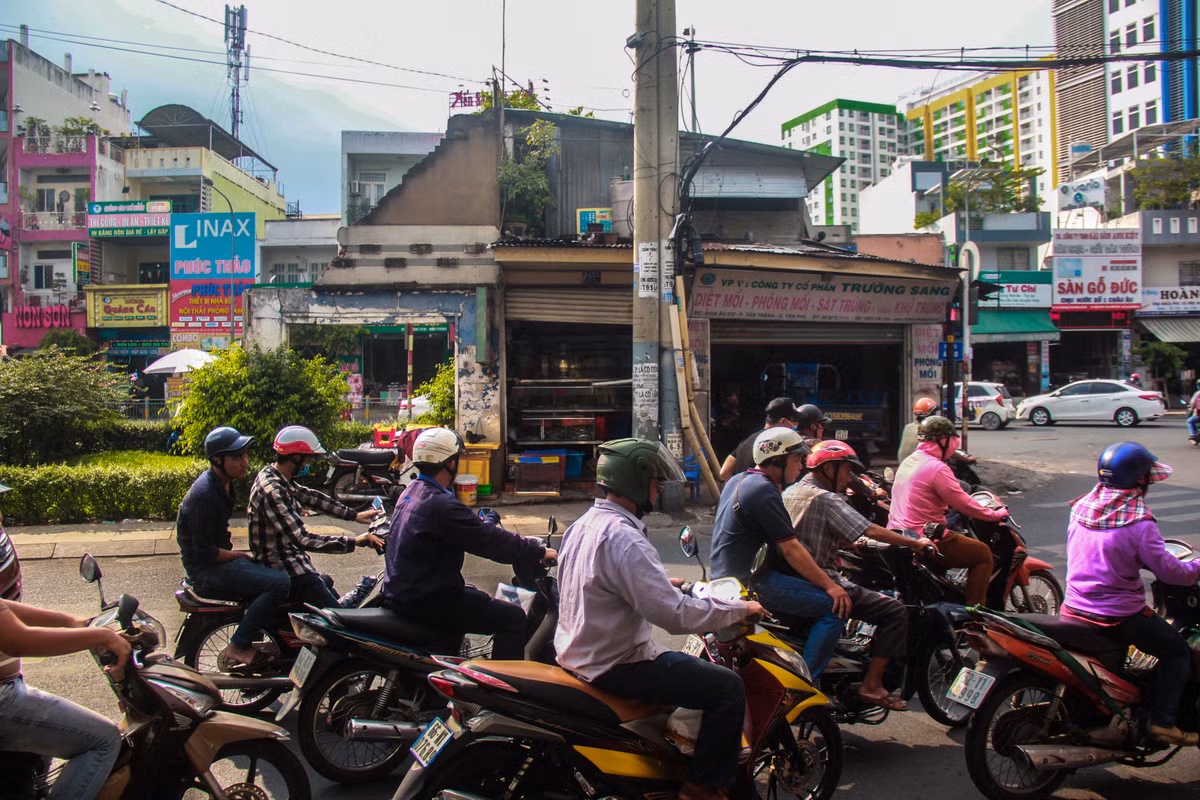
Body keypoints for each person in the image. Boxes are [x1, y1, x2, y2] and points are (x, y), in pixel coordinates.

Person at [556, 438, 764, 800]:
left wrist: (663, 582)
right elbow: (675, 615)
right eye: (654, 482)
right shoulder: (625, 539)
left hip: (578, 653)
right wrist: (739, 610)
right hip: (617, 663)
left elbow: (597, 580)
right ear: (635, 481)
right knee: (726, 687)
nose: (656, 489)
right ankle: (702, 787)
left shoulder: (585, 525)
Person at [783, 441, 938, 709]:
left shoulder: (792, 491)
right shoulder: (825, 498)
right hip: (821, 581)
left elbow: (820, 532)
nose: (848, 479)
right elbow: (870, 530)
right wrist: (916, 543)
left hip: (792, 580)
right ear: (829, 469)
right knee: (895, 610)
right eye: (846, 471)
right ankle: (872, 685)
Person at [1065, 442, 1200, 746]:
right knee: (1177, 652)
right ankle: (1162, 723)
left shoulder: (1081, 507)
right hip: (1116, 615)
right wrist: (1196, 568)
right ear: (1141, 480)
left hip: (1072, 606)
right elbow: (1169, 571)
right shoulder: (1139, 521)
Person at [382, 427, 556, 660]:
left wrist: (487, 521)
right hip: (428, 600)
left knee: (475, 597)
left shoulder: (412, 492)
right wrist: (539, 551)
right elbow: (491, 542)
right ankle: (500, 692)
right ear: (451, 463)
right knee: (512, 618)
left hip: (407, 593)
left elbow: (472, 529)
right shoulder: (440, 504)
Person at [710, 428, 845, 679]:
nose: (801, 466)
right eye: (796, 459)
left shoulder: (737, 480)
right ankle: (806, 682)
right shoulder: (763, 490)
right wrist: (831, 586)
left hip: (725, 579)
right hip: (749, 584)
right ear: (777, 460)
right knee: (833, 607)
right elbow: (791, 549)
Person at [177, 426, 290, 669]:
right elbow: (205, 552)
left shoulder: (224, 485)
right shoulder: (205, 494)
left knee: (270, 570)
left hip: (216, 562)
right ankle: (238, 645)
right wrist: (239, 556)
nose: (245, 462)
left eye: (245, 456)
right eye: (238, 457)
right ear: (218, 460)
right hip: (206, 571)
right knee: (280, 582)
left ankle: (256, 653)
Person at [0, 587, 130, 799]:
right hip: (3, 698)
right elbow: (19, 641)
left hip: (9, 688)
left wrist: (68, 621)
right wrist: (101, 637)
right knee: (104, 740)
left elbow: (5, 609)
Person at [247, 425, 383, 609]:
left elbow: (312, 498)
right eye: (307, 460)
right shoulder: (273, 491)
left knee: (329, 590)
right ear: (295, 458)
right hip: (283, 567)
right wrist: (355, 541)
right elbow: (303, 539)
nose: (307, 465)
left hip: (290, 561)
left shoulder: (274, 476)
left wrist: (354, 515)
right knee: (338, 622)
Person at [887, 416, 1003, 606]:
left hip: (899, 533)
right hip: (926, 536)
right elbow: (964, 503)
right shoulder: (937, 468)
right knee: (983, 554)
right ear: (944, 441)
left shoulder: (910, 461)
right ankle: (976, 614)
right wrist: (996, 514)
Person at [717, 396, 801, 481]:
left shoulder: (747, 440)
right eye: (796, 420)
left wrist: (741, 488)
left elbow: (724, 472)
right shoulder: (776, 445)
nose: (797, 424)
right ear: (783, 421)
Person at [897, 396, 939, 463]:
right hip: (918, 468)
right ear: (931, 415)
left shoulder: (908, 427)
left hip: (904, 466)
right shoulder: (925, 429)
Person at [1187, 379, 1200, 445]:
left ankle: (1193, 435)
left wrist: (1190, 411)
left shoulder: (1198, 393)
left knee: (1190, 421)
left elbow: (1192, 403)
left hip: (1198, 415)